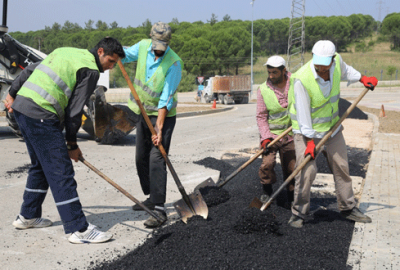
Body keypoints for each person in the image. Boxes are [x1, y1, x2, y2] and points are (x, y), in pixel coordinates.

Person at [4, 37, 125, 243]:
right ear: (101, 52)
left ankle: (28, 215)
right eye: (111, 61)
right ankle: (77, 228)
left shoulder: (65, 51)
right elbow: (74, 112)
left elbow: (30, 70)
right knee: (61, 171)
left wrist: (12, 93)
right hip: (40, 114)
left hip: (22, 109)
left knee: (40, 166)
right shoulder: (91, 71)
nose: (111, 67)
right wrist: (71, 144)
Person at [287, 40, 378, 228]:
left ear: (333, 59)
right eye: (317, 64)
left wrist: (363, 78)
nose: (321, 68)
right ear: (312, 57)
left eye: (324, 64)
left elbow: (347, 71)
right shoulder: (302, 79)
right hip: (307, 132)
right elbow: (303, 115)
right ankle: (298, 213)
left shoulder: (337, 64)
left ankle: (348, 207)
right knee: (306, 171)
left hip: (332, 128)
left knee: (342, 166)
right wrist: (310, 142)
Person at [121, 22, 183, 228]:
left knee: (157, 158)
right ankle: (150, 196)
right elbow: (124, 54)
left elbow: (165, 98)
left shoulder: (174, 63)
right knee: (141, 158)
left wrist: (159, 128)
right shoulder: (142, 47)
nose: (158, 50)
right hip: (142, 112)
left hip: (163, 116)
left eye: (162, 46)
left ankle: (159, 209)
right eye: (156, 45)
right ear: (151, 39)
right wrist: (111, 50)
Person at [256, 56, 296, 207]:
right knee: (267, 164)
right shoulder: (263, 89)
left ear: (284, 71)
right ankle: (267, 193)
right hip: (271, 136)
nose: (271, 76)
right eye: (269, 72)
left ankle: (292, 197)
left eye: (274, 72)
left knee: (292, 167)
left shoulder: (295, 83)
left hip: (291, 135)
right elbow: (261, 116)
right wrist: (265, 138)